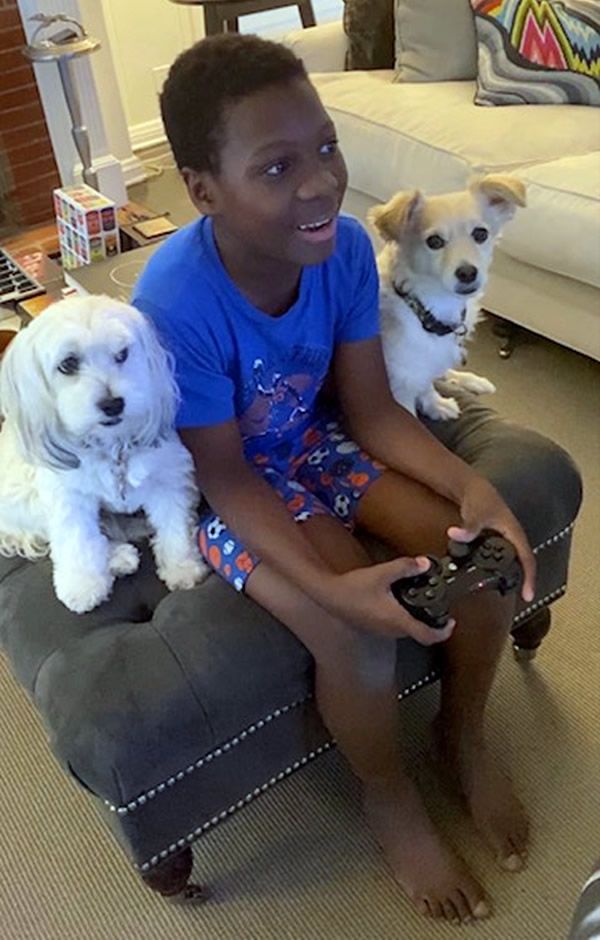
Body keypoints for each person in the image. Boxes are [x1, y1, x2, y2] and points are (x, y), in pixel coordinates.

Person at [132, 33, 537, 924]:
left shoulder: (348, 249)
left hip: (316, 440)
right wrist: (327, 587)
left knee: (485, 563)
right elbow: (226, 477)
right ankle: (388, 794)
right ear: (204, 190)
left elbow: (373, 411)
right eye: (277, 167)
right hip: (228, 484)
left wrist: (473, 491)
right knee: (352, 627)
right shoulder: (174, 299)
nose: (320, 182)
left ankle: (462, 736)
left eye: (325, 148)